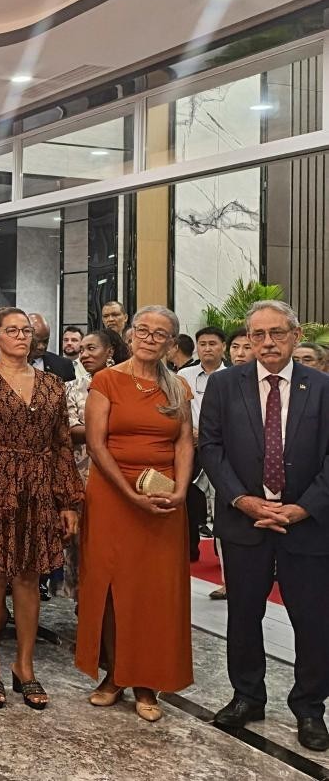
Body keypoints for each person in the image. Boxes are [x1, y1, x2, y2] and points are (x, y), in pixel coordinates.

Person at [200, 301, 329, 752]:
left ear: (296, 335)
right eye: (258, 334)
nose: (268, 342)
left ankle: (310, 707)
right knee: (243, 615)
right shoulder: (223, 384)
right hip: (244, 521)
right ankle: (247, 697)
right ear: (248, 339)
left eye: (277, 333)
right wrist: (242, 499)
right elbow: (210, 446)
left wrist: (303, 508)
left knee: (312, 620)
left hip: (307, 525)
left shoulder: (323, 387)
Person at [0, 307, 83, 710]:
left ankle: (24, 665)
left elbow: (61, 444)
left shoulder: (51, 384)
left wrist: (68, 500)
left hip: (38, 486)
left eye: (26, 330)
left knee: (29, 576)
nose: (21, 337)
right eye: (12, 330)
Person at [75, 305, 194, 723]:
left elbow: (184, 442)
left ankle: (147, 681)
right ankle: (114, 675)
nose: (149, 338)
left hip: (163, 499)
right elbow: (96, 443)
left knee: (155, 591)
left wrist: (181, 490)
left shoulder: (178, 386)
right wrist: (128, 493)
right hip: (112, 494)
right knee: (111, 587)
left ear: (171, 343)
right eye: (143, 330)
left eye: (160, 334)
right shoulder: (107, 380)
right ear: (130, 334)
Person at [61, 329, 127, 600]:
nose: (84, 355)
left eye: (91, 349)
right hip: (82, 475)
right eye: (82, 350)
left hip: (121, 473)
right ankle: (85, 605)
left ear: (110, 351)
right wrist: (109, 430)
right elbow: (69, 430)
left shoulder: (127, 385)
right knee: (82, 544)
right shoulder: (71, 387)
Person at [179, 325, 228, 562]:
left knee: (222, 496)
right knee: (188, 496)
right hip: (190, 445)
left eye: (213, 344)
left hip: (222, 446)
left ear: (223, 347)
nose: (207, 348)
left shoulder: (233, 376)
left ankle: (223, 551)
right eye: (203, 344)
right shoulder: (184, 375)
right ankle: (190, 549)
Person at [27, 313, 76, 382]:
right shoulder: (11, 363)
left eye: (45, 341)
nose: (41, 347)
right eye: (36, 341)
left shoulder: (64, 365)